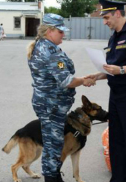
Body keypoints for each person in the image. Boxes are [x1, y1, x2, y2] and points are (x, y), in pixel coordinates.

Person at [87, 0, 126, 181]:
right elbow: (111, 69)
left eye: (106, 17)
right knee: (116, 140)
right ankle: (119, 178)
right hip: (116, 95)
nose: (104, 21)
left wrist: (121, 70)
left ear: (117, 13)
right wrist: (97, 75)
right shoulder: (113, 37)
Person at [27, 13, 95, 182]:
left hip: (49, 104)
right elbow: (66, 81)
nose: (63, 34)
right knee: (54, 144)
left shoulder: (43, 45)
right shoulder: (48, 50)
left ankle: (54, 175)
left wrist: (79, 80)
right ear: (50, 31)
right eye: (60, 31)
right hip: (51, 105)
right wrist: (84, 81)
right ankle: (52, 178)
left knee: (53, 142)